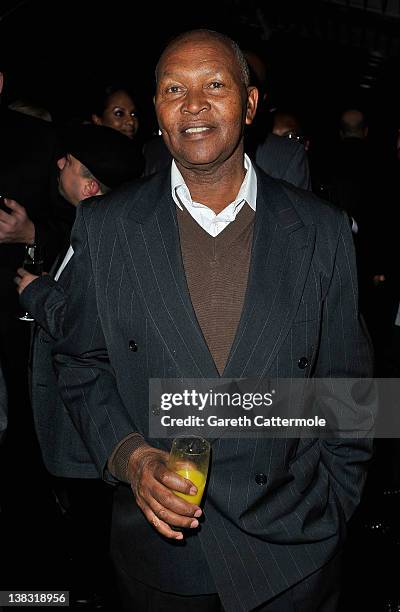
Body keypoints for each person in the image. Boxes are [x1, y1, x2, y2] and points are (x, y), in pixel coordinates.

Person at [54, 30, 374, 612]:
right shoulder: (107, 227)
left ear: (250, 105)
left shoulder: (323, 230)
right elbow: (80, 363)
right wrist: (133, 456)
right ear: (156, 110)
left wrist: (335, 508)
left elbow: (352, 390)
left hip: (294, 547)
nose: (193, 103)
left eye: (215, 85)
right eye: (174, 88)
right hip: (162, 556)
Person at [14, 124, 142, 607]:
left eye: (70, 162)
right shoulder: (93, 225)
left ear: (90, 187)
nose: (60, 165)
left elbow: (77, 327)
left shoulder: (99, 233)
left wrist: (37, 291)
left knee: (93, 543)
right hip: (82, 429)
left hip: (84, 432)